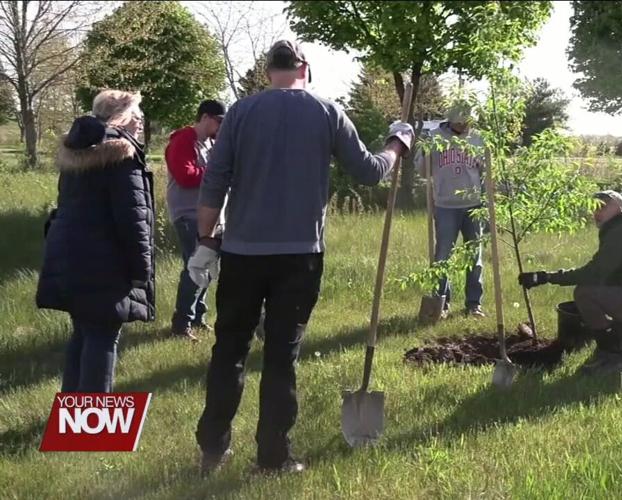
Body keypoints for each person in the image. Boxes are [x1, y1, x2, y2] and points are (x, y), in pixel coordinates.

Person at [189, 40, 413, 475]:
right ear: (304, 68)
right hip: (299, 256)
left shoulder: (240, 112)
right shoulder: (326, 112)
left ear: (268, 71)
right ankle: (273, 458)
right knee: (280, 356)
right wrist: (396, 144)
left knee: (229, 348)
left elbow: (214, 181)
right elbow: (369, 171)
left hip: (240, 253)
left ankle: (212, 449)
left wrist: (204, 240)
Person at [36, 89, 154, 393]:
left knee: (84, 335)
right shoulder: (122, 154)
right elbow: (133, 218)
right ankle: (92, 427)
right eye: (137, 115)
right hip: (105, 261)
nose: (141, 122)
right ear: (123, 116)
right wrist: (142, 270)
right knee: (102, 337)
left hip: (70, 256)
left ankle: (72, 420)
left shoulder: (77, 151)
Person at [518, 190, 622, 375]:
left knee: (585, 292)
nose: (596, 212)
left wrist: (546, 277)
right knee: (618, 339)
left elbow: (593, 273)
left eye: (603, 207)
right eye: (594, 208)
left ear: (619, 208)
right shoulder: (621, 229)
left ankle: (611, 359)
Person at [415, 102, 486, 318]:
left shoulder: (479, 138)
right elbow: (423, 171)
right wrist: (426, 156)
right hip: (445, 205)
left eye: (468, 119)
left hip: (473, 205)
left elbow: (486, 171)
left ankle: (474, 304)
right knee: (443, 255)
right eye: (462, 119)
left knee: (474, 256)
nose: (465, 124)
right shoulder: (434, 137)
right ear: (452, 119)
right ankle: (441, 303)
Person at [165, 99, 226, 341]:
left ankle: (197, 317)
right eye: (219, 121)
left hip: (208, 216)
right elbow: (185, 175)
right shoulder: (183, 140)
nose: (221, 127)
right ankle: (181, 325)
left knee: (208, 268)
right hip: (189, 214)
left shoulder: (209, 143)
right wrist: (216, 171)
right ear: (205, 118)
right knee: (195, 267)